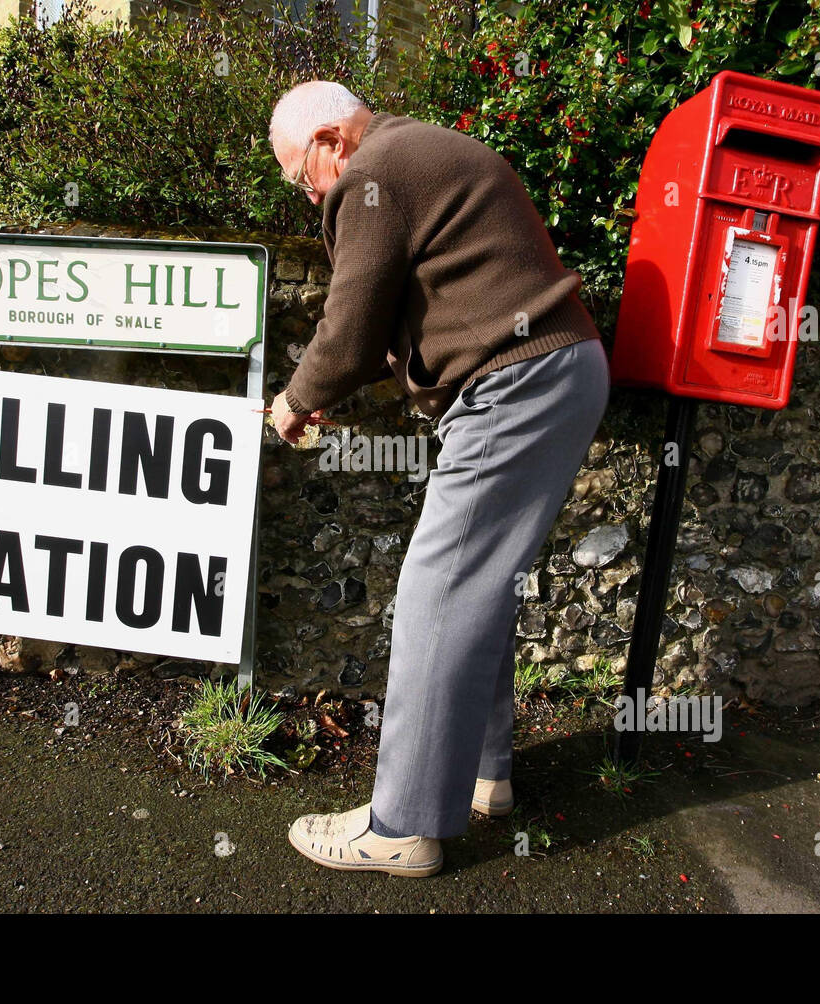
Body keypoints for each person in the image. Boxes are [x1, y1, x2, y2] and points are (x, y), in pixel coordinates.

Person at [268, 81, 611, 877]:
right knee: (476, 583)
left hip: (517, 380)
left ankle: (403, 825)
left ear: (331, 140)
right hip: (554, 370)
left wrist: (296, 399)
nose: (309, 194)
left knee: (438, 585)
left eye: (302, 176)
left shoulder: (376, 168)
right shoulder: (417, 151)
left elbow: (350, 323)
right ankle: (485, 774)